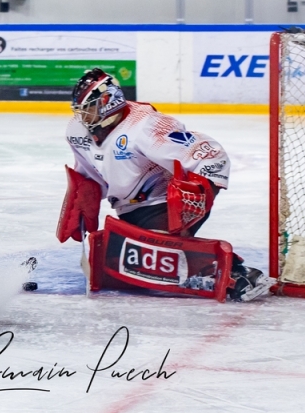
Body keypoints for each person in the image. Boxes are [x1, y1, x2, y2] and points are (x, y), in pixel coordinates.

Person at [58, 68, 272, 302]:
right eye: (80, 110)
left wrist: (200, 194)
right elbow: (91, 173)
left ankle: (238, 273)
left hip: (164, 205)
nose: (83, 116)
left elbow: (211, 155)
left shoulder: (147, 126)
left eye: (88, 108)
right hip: (126, 210)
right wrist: (83, 196)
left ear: (108, 101)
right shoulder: (77, 131)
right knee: (111, 266)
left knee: (156, 259)